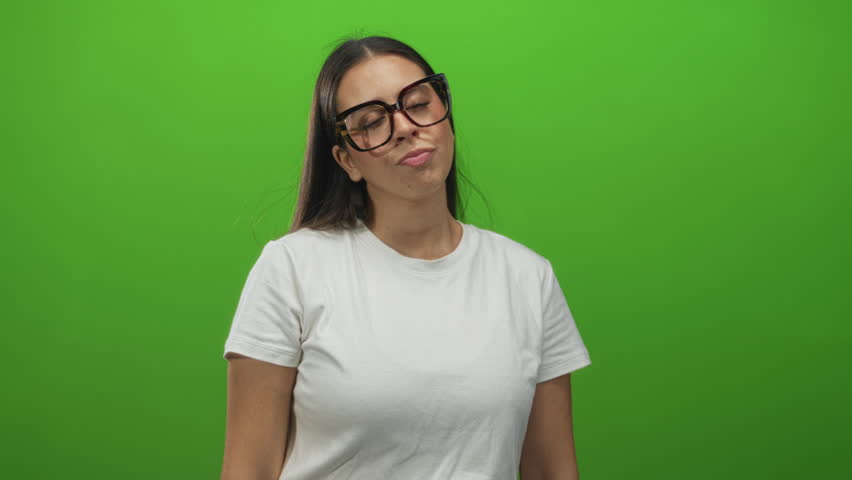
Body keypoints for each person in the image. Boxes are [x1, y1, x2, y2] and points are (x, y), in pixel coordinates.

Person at [220, 35, 592, 480]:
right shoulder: (292, 269)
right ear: (346, 160)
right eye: (371, 121)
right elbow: (249, 468)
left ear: (447, 117)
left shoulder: (528, 278)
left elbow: (552, 470)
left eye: (417, 102)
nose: (404, 127)